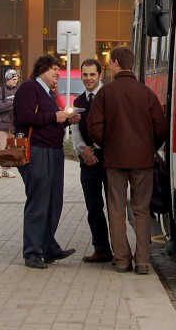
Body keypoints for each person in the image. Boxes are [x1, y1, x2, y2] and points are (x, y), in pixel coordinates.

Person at [87, 46, 168, 275]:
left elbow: (94, 126)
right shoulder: (146, 93)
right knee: (142, 210)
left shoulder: (106, 93)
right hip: (143, 161)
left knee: (116, 209)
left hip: (115, 161)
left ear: (115, 63)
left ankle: (122, 259)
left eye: (110, 62)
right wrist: (150, 146)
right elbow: (161, 127)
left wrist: (108, 143)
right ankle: (142, 261)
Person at [13, 54, 81, 269]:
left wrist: (66, 121)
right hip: (38, 152)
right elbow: (24, 118)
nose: (58, 73)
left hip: (53, 151)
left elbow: (48, 121)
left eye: (58, 69)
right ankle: (32, 252)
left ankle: (48, 246)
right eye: (54, 69)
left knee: (54, 201)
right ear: (42, 69)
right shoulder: (29, 88)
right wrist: (55, 117)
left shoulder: (48, 92)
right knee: (39, 202)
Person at [71, 58, 113, 263]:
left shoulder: (109, 96)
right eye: (85, 75)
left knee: (114, 206)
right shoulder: (78, 102)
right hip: (87, 162)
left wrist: (95, 149)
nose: (88, 78)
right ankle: (102, 249)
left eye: (92, 75)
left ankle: (120, 251)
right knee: (93, 206)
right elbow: (75, 130)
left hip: (109, 160)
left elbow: (114, 129)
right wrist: (83, 151)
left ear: (100, 75)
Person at [0, 69, 20, 178]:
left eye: (17, 79)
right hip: (2, 125)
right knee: (0, 147)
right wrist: (12, 103)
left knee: (10, 148)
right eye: (14, 79)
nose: (16, 81)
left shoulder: (17, 90)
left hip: (13, 125)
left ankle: (7, 169)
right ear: (8, 79)